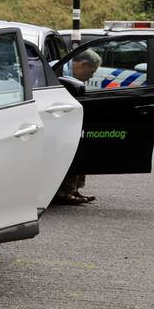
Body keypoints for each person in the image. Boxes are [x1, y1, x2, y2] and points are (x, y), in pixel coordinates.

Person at [52, 49, 102, 205]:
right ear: (82, 65)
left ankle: (73, 189)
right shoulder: (55, 70)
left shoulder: (69, 74)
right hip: (53, 119)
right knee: (70, 149)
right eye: (91, 71)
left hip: (66, 119)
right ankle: (63, 192)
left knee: (82, 146)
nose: (92, 76)